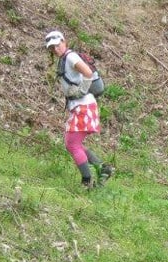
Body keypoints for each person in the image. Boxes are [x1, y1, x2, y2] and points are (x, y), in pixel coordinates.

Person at [45, 30, 113, 189]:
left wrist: (81, 91)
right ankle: (103, 168)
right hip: (81, 106)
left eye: (57, 45)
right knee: (73, 142)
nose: (55, 49)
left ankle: (86, 181)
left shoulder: (70, 57)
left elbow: (88, 72)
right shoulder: (65, 58)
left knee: (72, 143)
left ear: (63, 41)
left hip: (84, 105)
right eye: (51, 48)